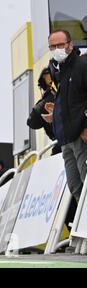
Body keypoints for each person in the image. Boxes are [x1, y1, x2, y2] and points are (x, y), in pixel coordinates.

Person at [42, 29, 87, 205]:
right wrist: (57, 113)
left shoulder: (82, 66)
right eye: (52, 46)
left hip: (81, 136)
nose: (56, 49)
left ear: (70, 44)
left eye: (60, 44)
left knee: (85, 186)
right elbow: (74, 101)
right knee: (76, 187)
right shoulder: (60, 71)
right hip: (66, 139)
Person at [27, 67, 61, 155]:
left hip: (61, 144)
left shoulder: (46, 101)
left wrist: (43, 99)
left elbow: (32, 122)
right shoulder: (72, 89)